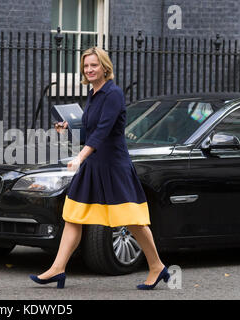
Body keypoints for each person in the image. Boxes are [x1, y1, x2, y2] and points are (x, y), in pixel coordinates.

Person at [29, 47, 169, 290]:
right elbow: (90, 130)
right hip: (94, 165)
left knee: (132, 220)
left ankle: (157, 266)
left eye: (94, 65)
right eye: (86, 66)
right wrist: (68, 127)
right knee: (74, 216)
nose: (89, 70)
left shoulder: (113, 94)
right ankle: (58, 268)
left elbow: (104, 131)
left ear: (105, 67)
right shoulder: (93, 94)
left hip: (113, 166)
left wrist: (80, 157)